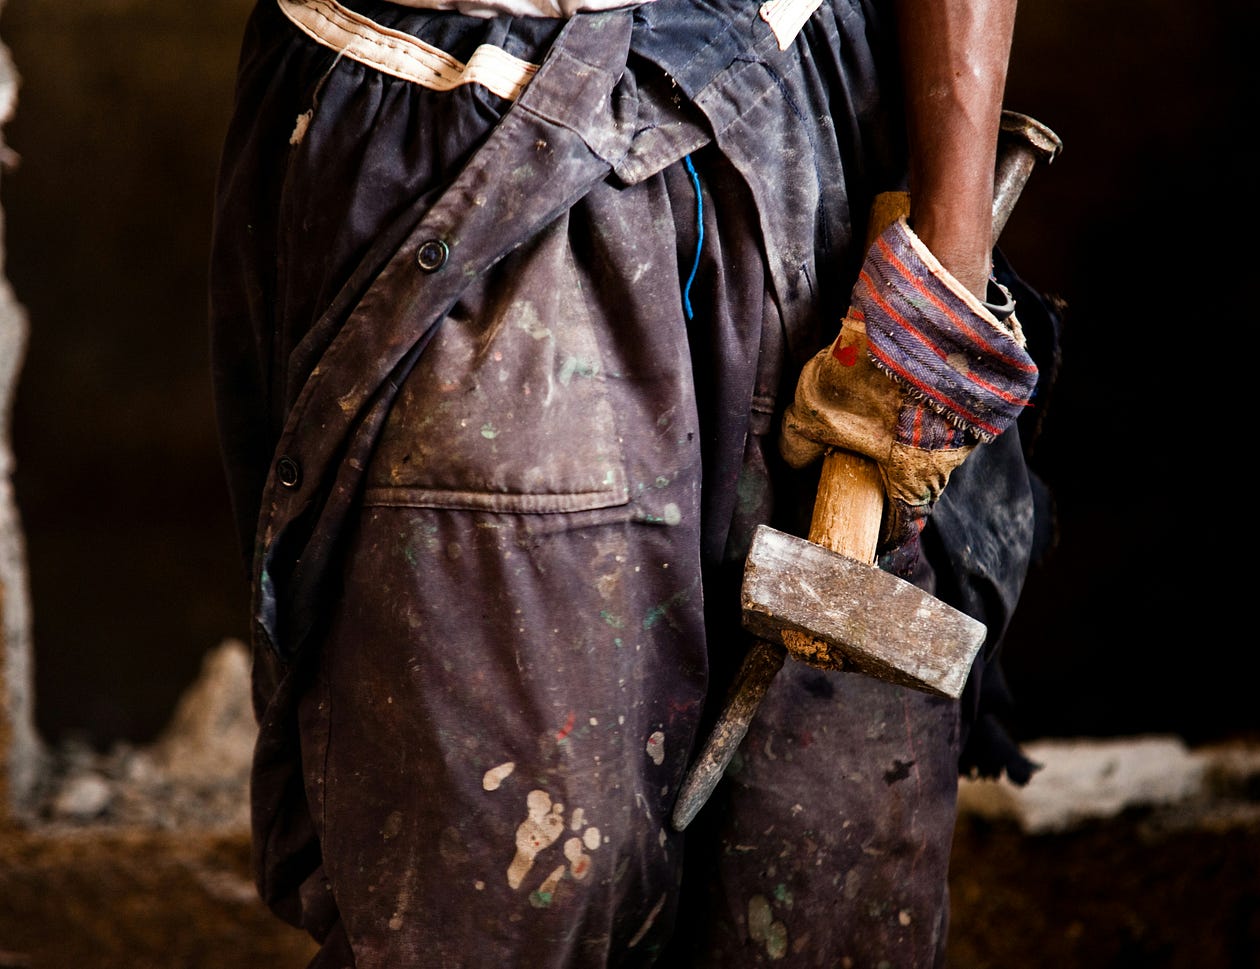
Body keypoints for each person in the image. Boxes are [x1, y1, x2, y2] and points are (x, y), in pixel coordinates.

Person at [207, 0, 1060, 964]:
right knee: (508, 880)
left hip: (803, 108)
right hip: (464, 121)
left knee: (827, 886)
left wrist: (948, 251)